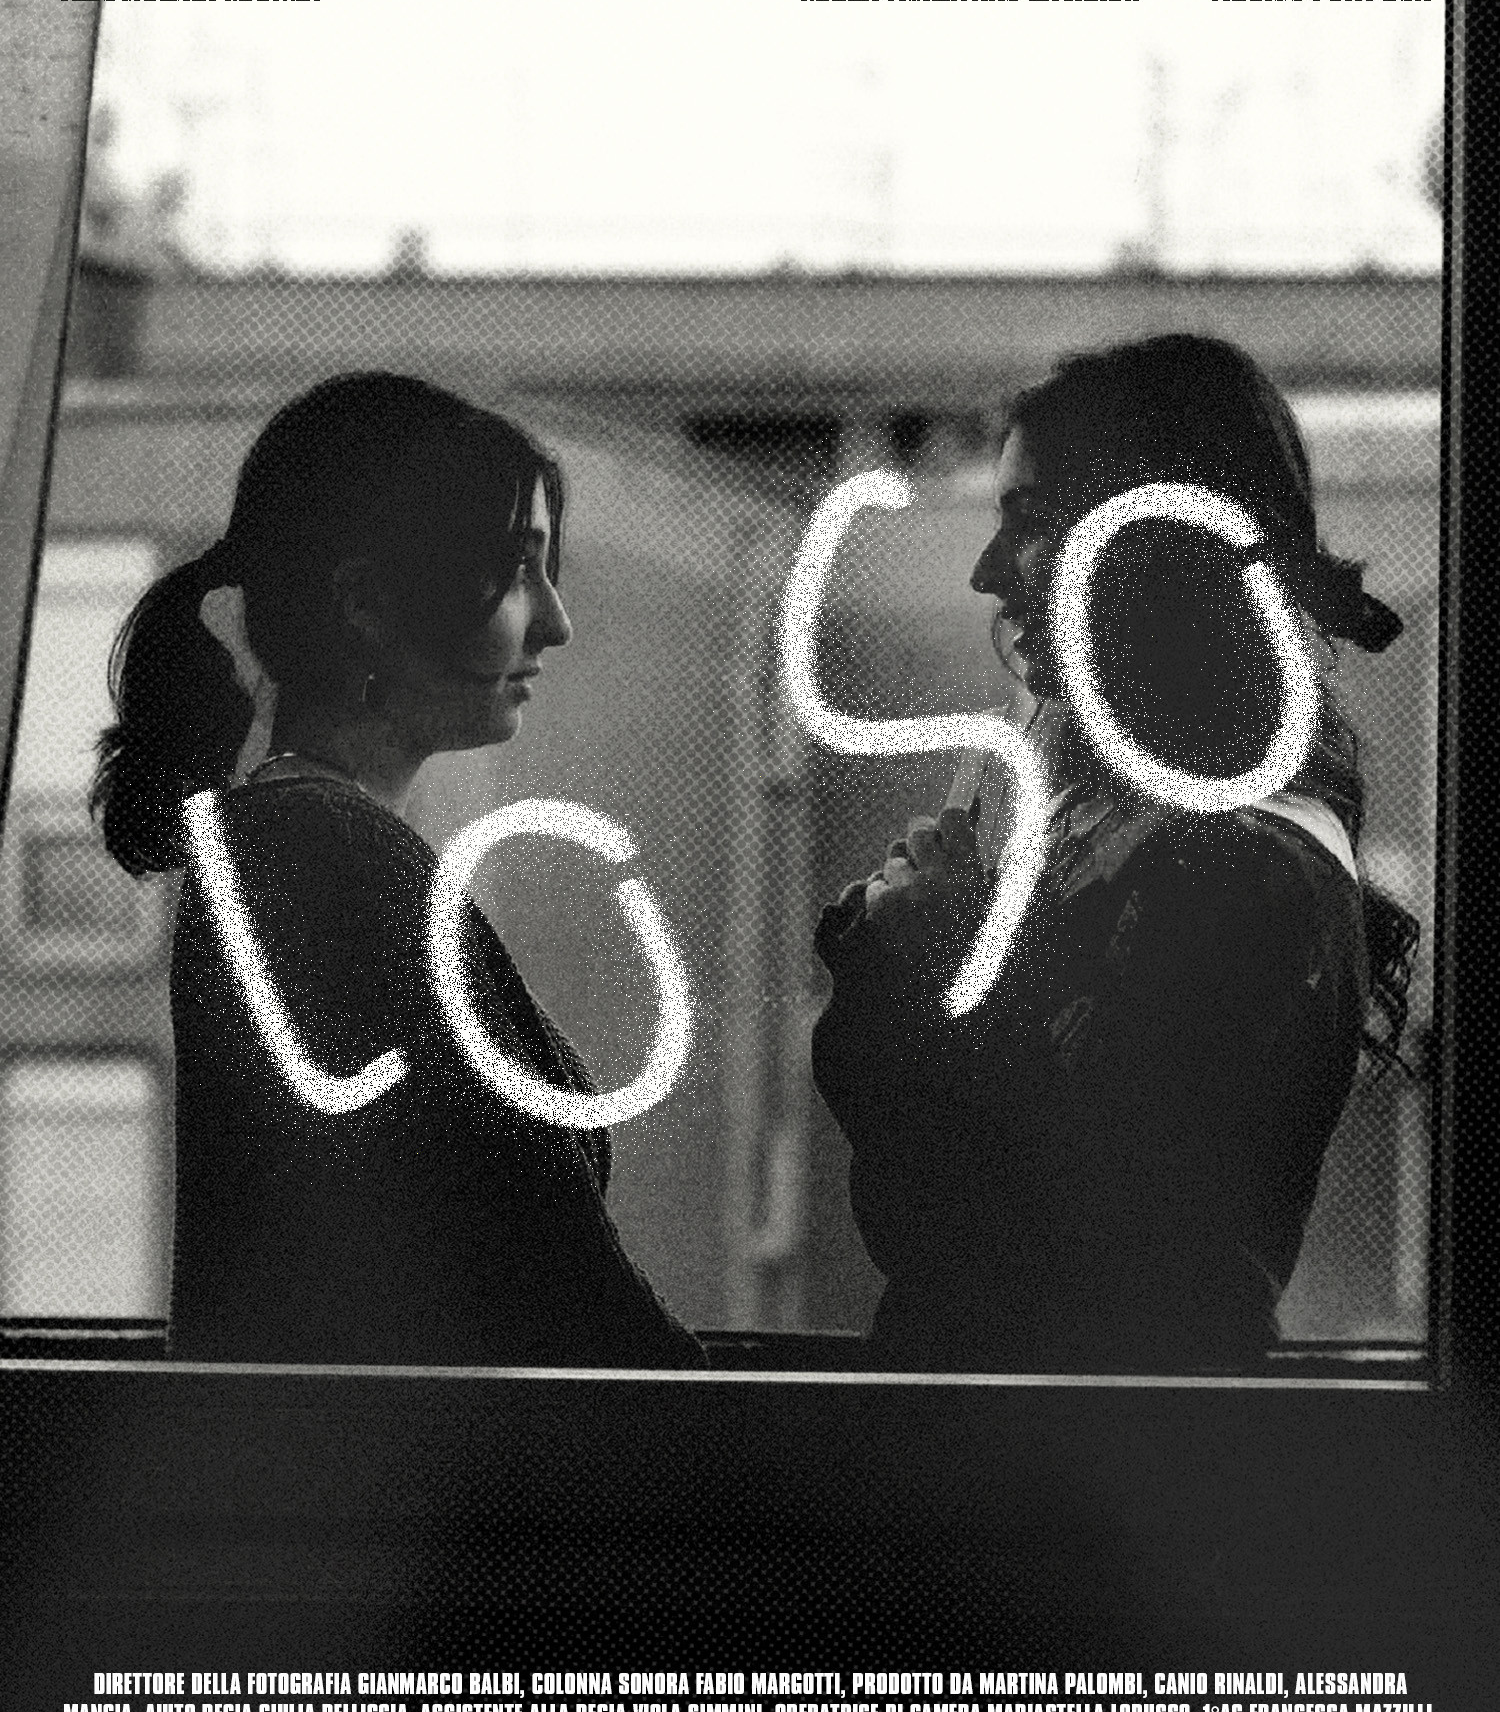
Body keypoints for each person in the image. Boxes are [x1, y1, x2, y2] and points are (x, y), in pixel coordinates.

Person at [811, 334, 1418, 1373]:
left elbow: (1081, 1242)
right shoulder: (1133, 832)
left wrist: (942, 955)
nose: (987, 571)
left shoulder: (1234, 866)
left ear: (1153, 542)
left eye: (1030, 522)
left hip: (1083, 1450)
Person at [92, 372, 703, 1368]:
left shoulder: (301, 845)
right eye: (515, 568)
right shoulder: (320, 855)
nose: (555, 621)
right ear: (368, 603)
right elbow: (551, 1276)